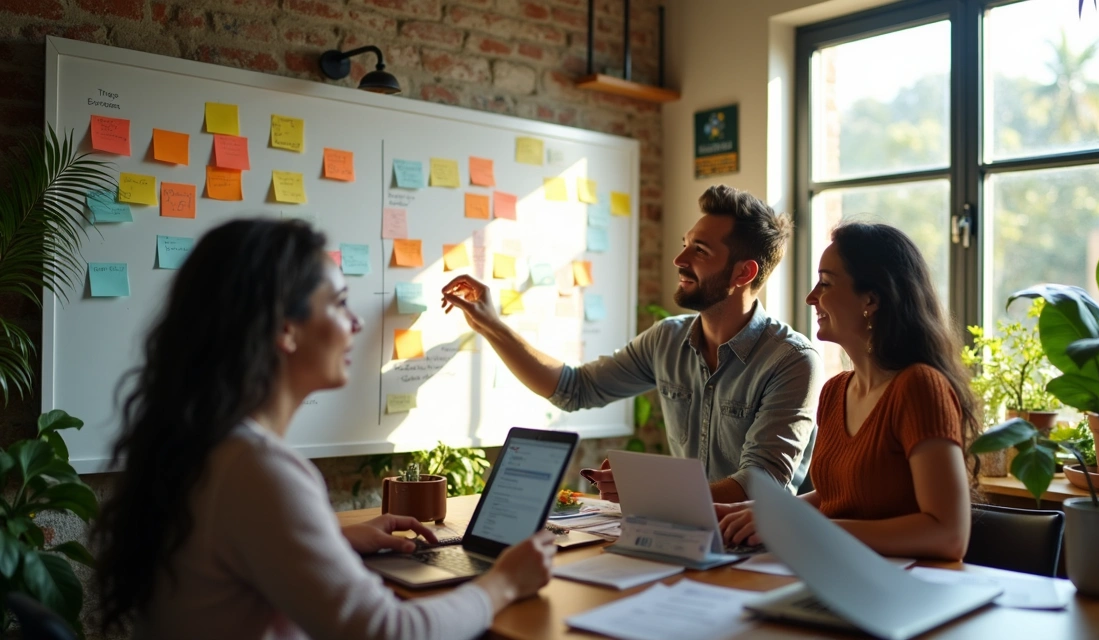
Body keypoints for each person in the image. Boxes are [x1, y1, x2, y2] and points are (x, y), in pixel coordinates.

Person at [92, 219, 555, 640]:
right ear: (286, 331)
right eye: (337, 304)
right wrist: (503, 583)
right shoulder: (258, 470)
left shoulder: (205, 446)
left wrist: (331, 543)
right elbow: (389, 633)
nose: (355, 323)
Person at [441, 185, 821, 504]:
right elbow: (574, 389)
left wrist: (649, 489)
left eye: (699, 251)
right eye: (685, 244)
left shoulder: (791, 360)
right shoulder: (667, 339)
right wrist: (492, 326)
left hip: (755, 555)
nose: (679, 259)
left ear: (744, 272)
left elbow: (763, 486)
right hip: (682, 536)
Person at [717, 222, 979, 561]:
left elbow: (948, 536)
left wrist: (796, 524)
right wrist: (758, 511)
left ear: (870, 299)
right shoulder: (835, 390)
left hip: (902, 590)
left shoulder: (920, 388)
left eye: (825, 283)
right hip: (841, 571)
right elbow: (833, 498)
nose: (812, 297)